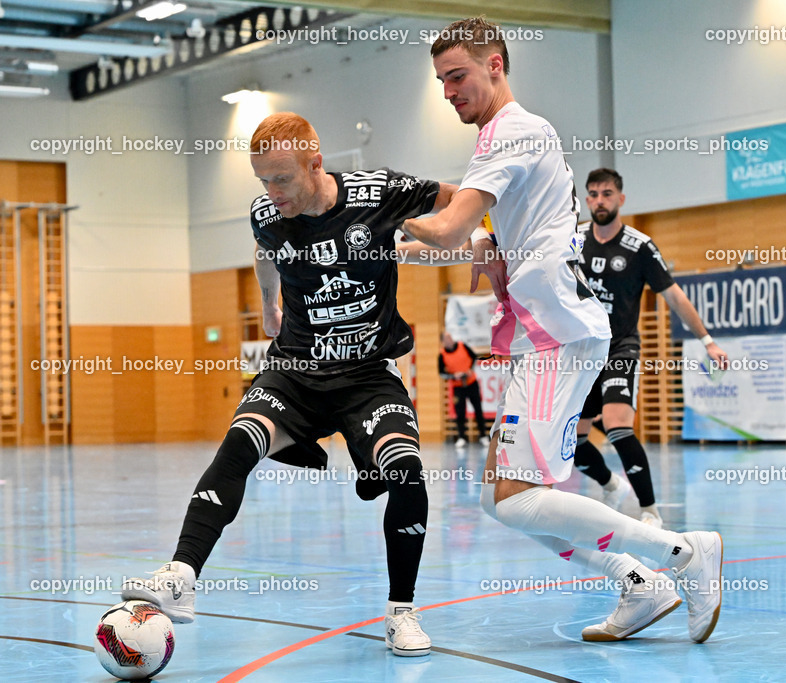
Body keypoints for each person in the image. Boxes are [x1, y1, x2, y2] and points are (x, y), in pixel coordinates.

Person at [401, 17, 723, 644]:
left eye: (457, 76)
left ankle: (684, 553)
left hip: (558, 334)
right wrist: (461, 246)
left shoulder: (513, 133)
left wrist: (367, 219)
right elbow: (478, 239)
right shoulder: (505, 137)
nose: (447, 92)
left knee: (518, 497)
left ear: (496, 64)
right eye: (441, 81)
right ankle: (638, 583)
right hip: (542, 335)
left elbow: (442, 229)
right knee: (504, 494)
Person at [121, 112, 463, 657]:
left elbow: (461, 198)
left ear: (316, 163)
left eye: (282, 179)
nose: (271, 192)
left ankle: (401, 611)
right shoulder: (267, 212)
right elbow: (264, 249)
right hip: (296, 372)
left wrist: (487, 248)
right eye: (263, 180)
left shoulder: (383, 192)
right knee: (239, 442)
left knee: (406, 472)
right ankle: (182, 575)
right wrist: (266, 301)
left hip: (367, 376)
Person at [574, 168, 728, 528]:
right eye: (593, 194)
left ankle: (650, 510)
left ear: (621, 199)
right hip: (581, 352)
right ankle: (611, 485)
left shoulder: (639, 247)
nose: (599, 200)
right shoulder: (574, 239)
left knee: (616, 426)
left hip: (620, 350)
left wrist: (707, 340)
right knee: (572, 442)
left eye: (607, 194)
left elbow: (674, 296)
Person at [439, 331, 489, 447]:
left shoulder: (462, 345)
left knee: (478, 410)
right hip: (458, 387)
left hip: (471, 383)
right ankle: (462, 437)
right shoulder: (442, 355)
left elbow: (474, 357)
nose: (450, 340)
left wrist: (470, 370)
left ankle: (483, 436)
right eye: (447, 339)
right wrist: (453, 375)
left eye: (450, 337)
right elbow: (441, 373)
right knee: (460, 413)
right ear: (443, 342)